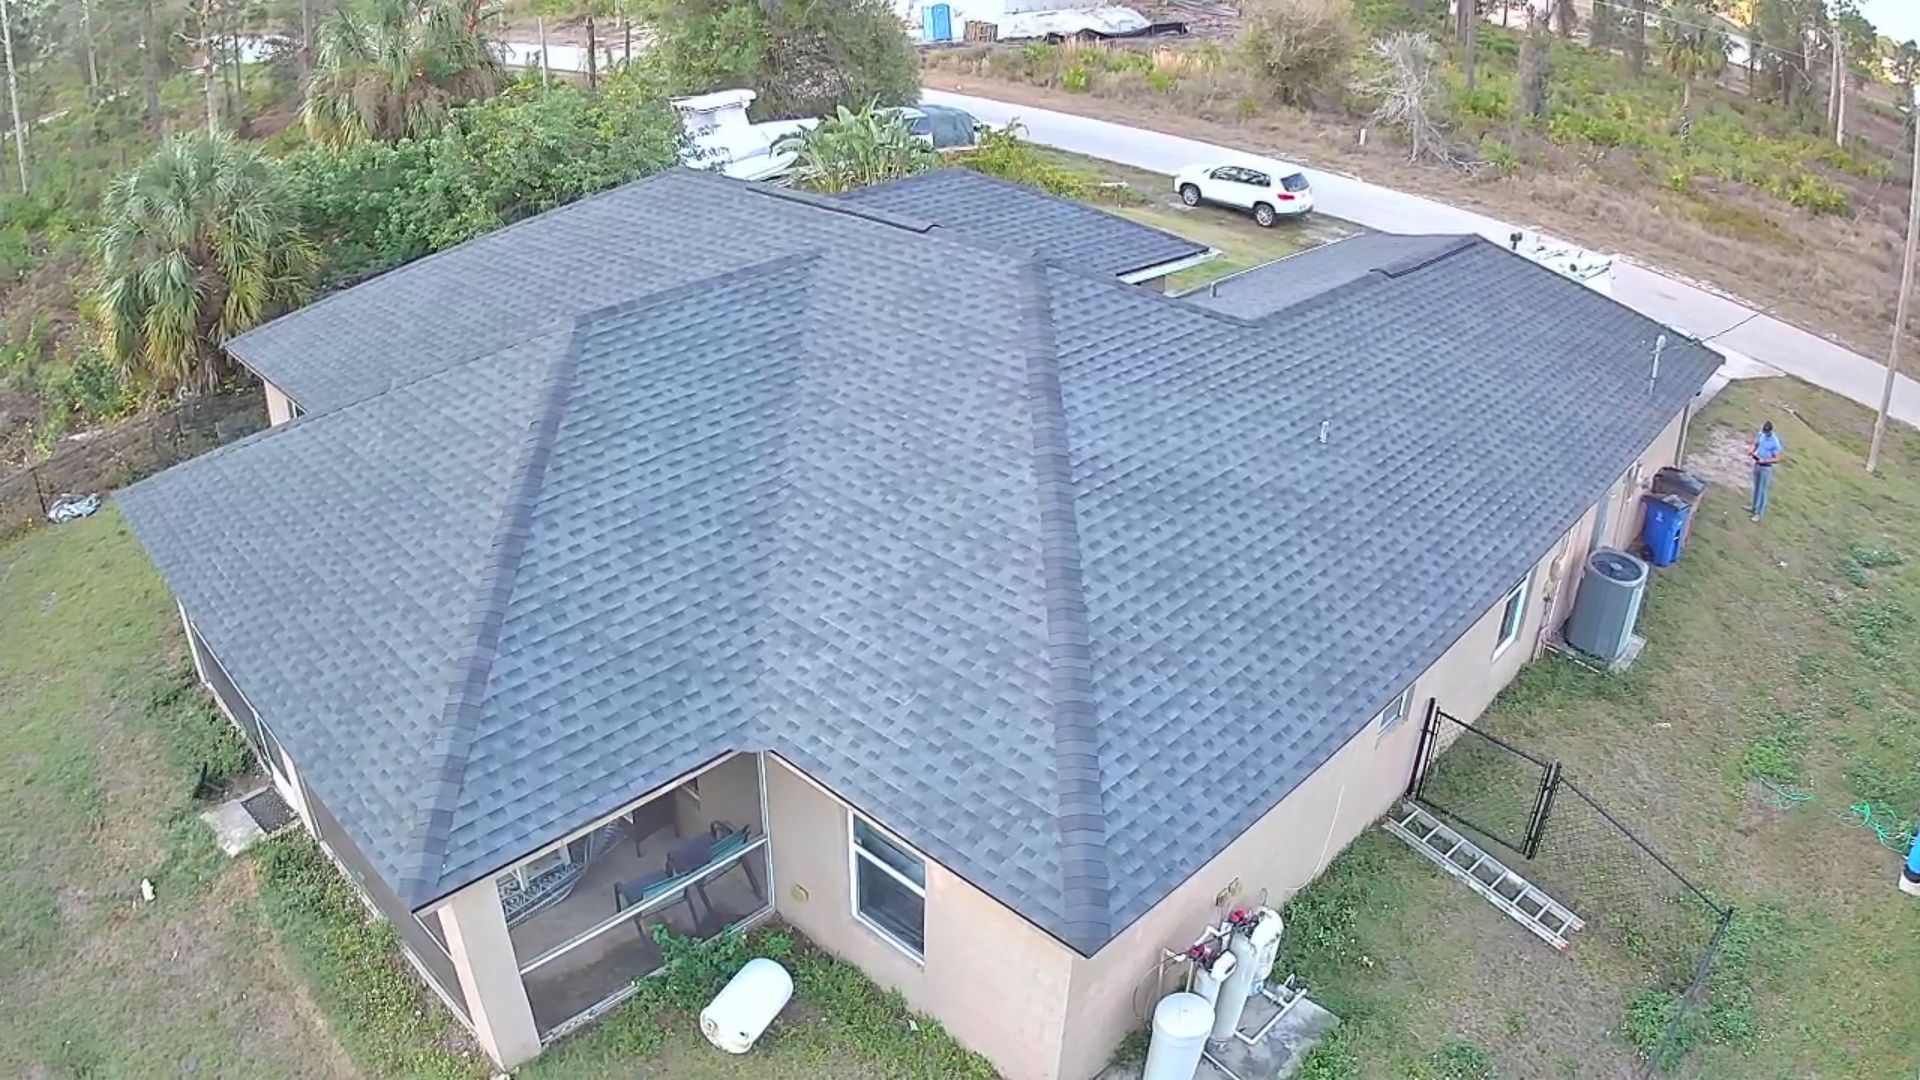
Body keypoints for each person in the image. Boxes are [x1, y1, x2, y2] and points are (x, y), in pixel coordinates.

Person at [1749, 421, 1783, 522]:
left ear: (1770, 431)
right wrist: (1752, 450)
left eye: (1766, 432)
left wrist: (1765, 460)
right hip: (1757, 463)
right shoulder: (1761, 434)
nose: (1764, 433)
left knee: (1763, 490)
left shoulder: (1774, 442)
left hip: (1766, 467)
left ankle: (1759, 513)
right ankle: (1753, 507)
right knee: (1756, 487)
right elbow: (1756, 444)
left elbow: (1777, 458)